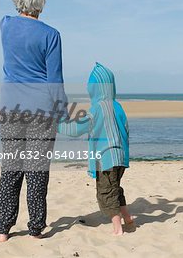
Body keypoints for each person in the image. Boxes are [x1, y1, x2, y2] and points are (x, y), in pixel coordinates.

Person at [0, 0, 67, 242]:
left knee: (11, 168)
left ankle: (3, 229)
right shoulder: (51, 35)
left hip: (11, 108)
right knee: (37, 170)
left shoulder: (5, 25)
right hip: (42, 111)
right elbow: (54, 79)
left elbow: (10, 16)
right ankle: (36, 228)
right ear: (41, 2)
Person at [58, 62, 134, 235]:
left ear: (95, 89)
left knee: (106, 192)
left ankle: (118, 228)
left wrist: (58, 124)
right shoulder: (117, 106)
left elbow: (76, 129)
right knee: (115, 188)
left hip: (105, 158)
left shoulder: (97, 109)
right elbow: (127, 131)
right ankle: (128, 218)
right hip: (120, 157)